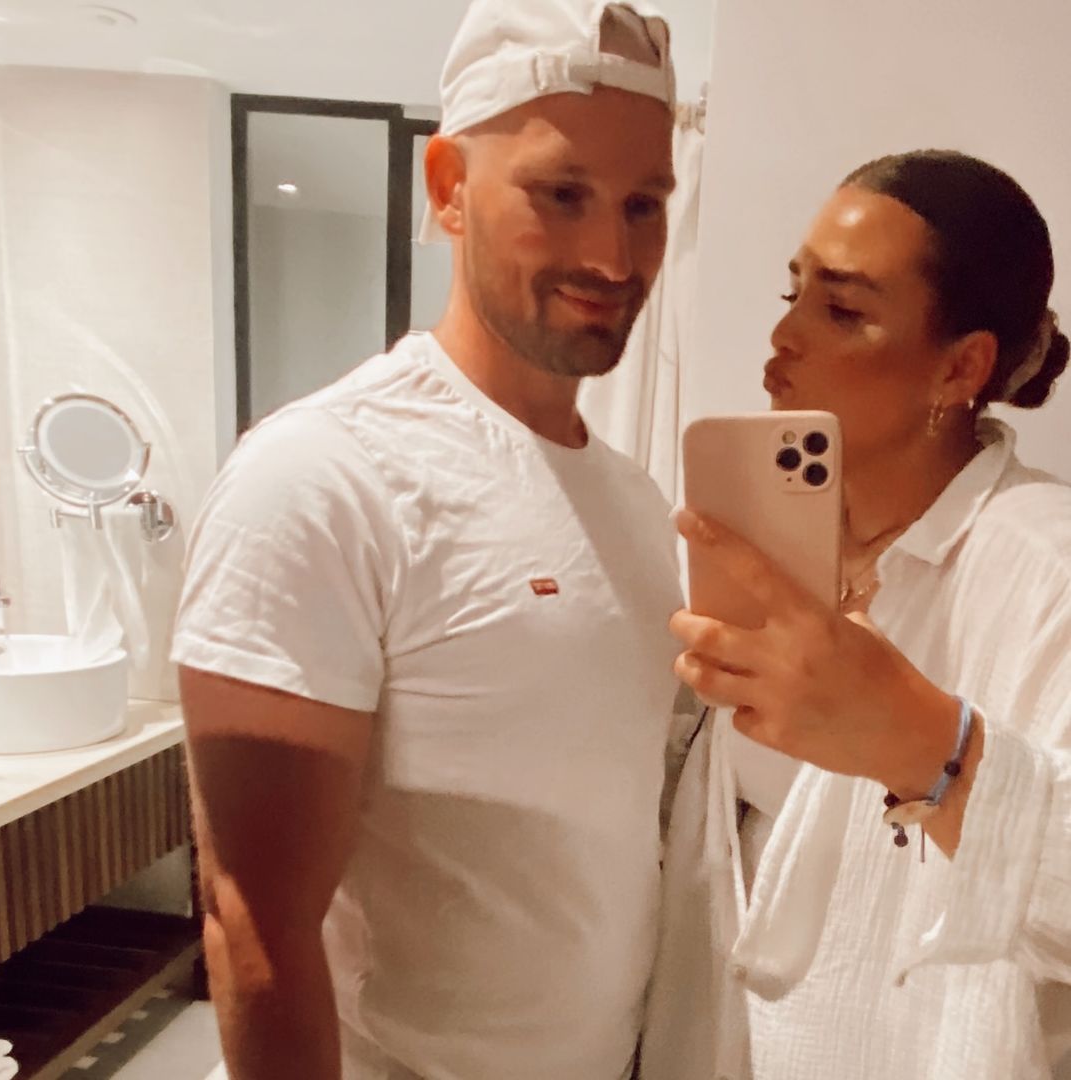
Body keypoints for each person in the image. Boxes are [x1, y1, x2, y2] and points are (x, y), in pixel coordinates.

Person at [172, 2, 686, 1078]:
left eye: (644, 205)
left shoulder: (636, 502)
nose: (612, 253)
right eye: (562, 194)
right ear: (449, 186)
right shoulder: (319, 479)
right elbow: (256, 930)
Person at [641, 150, 1071, 1079]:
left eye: (841, 310)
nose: (784, 333)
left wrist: (923, 744)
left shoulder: (1047, 567)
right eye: (791, 292)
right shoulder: (778, 550)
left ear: (961, 367)